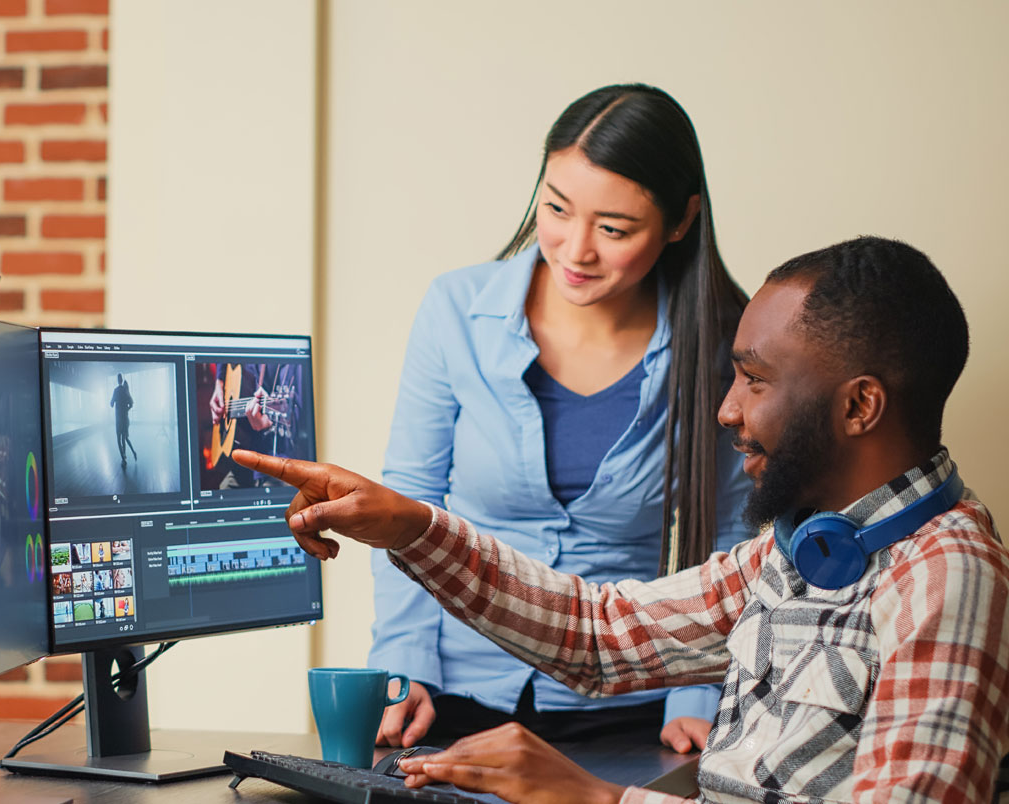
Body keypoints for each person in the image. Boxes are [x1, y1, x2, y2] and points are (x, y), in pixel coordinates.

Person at [237, 237, 1009, 802]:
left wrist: (601, 800)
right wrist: (409, 526)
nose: (726, 410)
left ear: (859, 406)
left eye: (755, 381)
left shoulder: (948, 573)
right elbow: (600, 638)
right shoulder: (809, 544)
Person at [373, 83, 752, 753]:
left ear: (681, 220)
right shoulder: (456, 311)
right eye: (556, 208)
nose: (575, 249)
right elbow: (408, 505)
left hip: (636, 709)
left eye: (614, 229)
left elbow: (729, 536)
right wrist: (402, 669)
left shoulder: (723, 344)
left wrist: (696, 691)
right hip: (451, 701)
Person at [109, 373, 136, 467]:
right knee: (124, 439)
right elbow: (131, 404)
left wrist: (113, 402)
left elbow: (111, 404)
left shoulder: (116, 391)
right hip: (125, 418)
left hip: (118, 419)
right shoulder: (126, 391)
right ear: (122, 380)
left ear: (117, 380)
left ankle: (123, 458)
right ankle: (125, 458)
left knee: (118, 439)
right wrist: (126, 410)